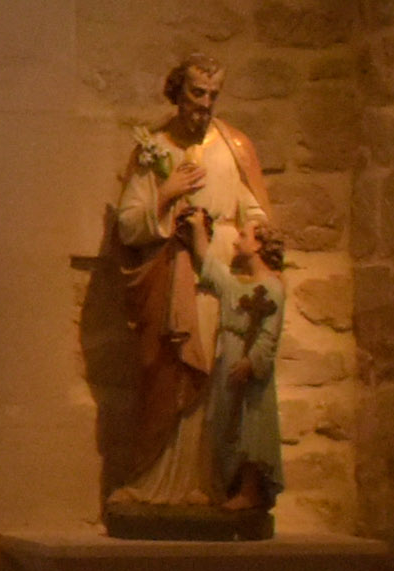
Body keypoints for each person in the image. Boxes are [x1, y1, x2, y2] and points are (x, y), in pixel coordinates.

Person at [106, 55, 288, 517]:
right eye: (196, 93)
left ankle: (213, 482)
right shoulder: (154, 148)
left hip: (223, 276)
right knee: (171, 372)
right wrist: (166, 194)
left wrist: (248, 241)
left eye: (213, 95)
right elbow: (129, 225)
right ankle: (158, 481)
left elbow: (255, 212)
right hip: (174, 276)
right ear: (177, 92)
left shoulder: (234, 146)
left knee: (218, 378)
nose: (205, 104)